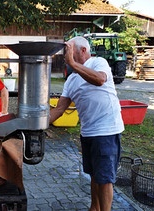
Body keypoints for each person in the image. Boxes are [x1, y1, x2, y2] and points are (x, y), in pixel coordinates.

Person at [50, 36, 124, 211]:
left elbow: (99, 80)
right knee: (93, 175)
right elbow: (59, 110)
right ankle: (94, 208)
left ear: (83, 50)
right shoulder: (71, 80)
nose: (66, 55)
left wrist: (73, 64)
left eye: (70, 51)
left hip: (107, 131)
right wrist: (35, 125)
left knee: (104, 178)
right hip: (88, 133)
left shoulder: (99, 62)